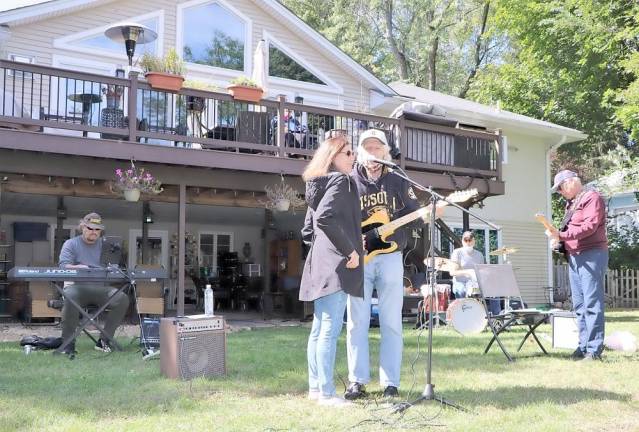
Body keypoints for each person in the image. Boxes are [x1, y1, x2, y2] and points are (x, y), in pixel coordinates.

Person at [345, 128, 435, 400]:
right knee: (356, 320)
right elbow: (338, 218)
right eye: (368, 148)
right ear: (360, 152)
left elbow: (412, 214)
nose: (372, 153)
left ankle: (390, 383)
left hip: (391, 256)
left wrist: (427, 214)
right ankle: (356, 380)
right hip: (359, 258)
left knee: (391, 321)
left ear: (386, 152)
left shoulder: (397, 179)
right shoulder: (349, 181)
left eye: (377, 148)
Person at [300, 129, 363, 407]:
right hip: (336, 265)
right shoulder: (341, 181)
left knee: (319, 328)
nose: (354, 156)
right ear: (334, 157)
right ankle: (326, 393)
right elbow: (325, 219)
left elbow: (307, 231)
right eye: (349, 152)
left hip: (318, 264)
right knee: (329, 329)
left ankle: (316, 388)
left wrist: (332, 243)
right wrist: (350, 249)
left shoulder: (319, 184)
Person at [545, 170, 608, 361]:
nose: (560, 192)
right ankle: (583, 346)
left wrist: (560, 235)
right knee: (579, 305)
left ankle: (594, 350)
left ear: (572, 182)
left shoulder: (592, 197)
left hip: (592, 254)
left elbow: (590, 227)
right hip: (575, 256)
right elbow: (572, 230)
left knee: (592, 303)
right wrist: (560, 242)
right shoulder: (571, 203)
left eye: (561, 188)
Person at [58, 212, 129, 356]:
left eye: (97, 229)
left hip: (101, 289)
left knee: (122, 298)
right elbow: (63, 266)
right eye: (90, 228)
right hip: (77, 288)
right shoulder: (71, 244)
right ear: (82, 227)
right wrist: (80, 267)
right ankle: (68, 343)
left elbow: (114, 268)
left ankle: (104, 341)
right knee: (70, 295)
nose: (94, 232)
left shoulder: (107, 245)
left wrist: (114, 269)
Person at [449, 231, 500, 315]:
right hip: (460, 282)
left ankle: (496, 319)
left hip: (476, 282)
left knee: (494, 291)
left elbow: (483, 272)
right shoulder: (457, 252)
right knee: (461, 291)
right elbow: (452, 272)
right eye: (466, 240)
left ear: (474, 241)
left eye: (470, 240)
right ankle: (462, 316)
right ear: (462, 241)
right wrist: (468, 272)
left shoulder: (479, 255)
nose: (468, 242)